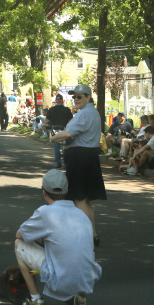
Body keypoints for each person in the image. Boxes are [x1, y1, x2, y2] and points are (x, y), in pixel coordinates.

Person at [14, 169, 102, 305]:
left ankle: (35, 300)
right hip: (87, 278)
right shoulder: (81, 214)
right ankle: (75, 297)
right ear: (67, 190)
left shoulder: (45, 212)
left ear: (44, 192)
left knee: (18, 245)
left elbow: (20, 235)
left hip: (60, 279)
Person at [49, 84, 106, 247]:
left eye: (79, 97)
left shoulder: (84, 114)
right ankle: (93, 234)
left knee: (79, 198)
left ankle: (85, 235)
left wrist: (53, 138)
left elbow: (68, 133)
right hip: (89, 156)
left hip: (80, 158)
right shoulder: (93, 113)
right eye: (74, 97)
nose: (76, 99)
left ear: (88, 97)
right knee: (85, 200)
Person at [46, 94, 73, 169]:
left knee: (56, 147)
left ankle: (58, 163)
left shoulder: (51, 109)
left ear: (56, 101)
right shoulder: (66, 109)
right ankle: (65, 164)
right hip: (64, 128)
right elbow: (70, 120)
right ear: (62, 100)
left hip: (54, 128)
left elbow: (48, 120)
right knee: (64, 146)